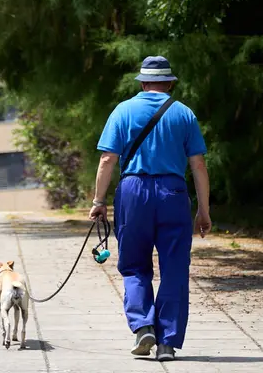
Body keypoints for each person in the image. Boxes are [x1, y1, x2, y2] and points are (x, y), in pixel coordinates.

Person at [89, 55, 212, 361]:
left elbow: (107, 159)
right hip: (173, 192)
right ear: (170, 83)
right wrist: (204, 210)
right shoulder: (184, 113)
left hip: (133, 192)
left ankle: (144, 326)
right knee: (174, 268)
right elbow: (198, 165)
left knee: (133, 265)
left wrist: (98, 201)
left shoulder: (123, 110)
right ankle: (168, 342)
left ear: (142, 83)